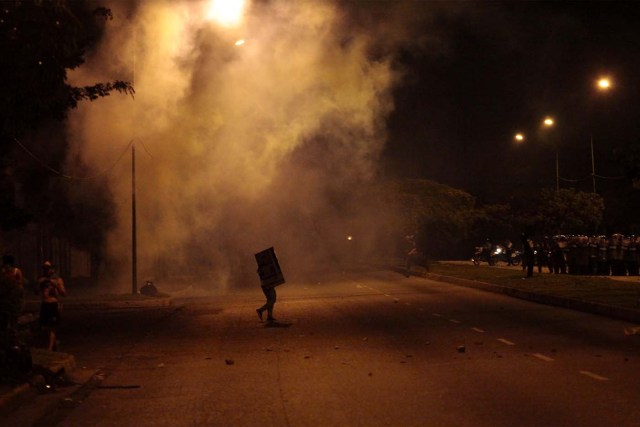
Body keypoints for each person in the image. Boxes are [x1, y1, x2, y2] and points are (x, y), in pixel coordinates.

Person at [38, 261, 66, 351]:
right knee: (46, 327)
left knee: (52, 327)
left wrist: (56, 286)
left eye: (48, 268)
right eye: (45, 269)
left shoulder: (57, 280)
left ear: (52, 270)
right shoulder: (42, 279)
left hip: (53, 304)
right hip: (45, 304)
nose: (47, 270)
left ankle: (50, 348)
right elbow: (35, 291)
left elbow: (63, 293)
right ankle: (54, 344)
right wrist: (39, 284)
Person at [1, 254, 24, 330]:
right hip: (4, 300)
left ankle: (13, 337)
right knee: (4, 322)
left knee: (13, 321)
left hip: (14, 300)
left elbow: (20, 285)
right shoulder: (2, 272)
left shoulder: (16, 271)